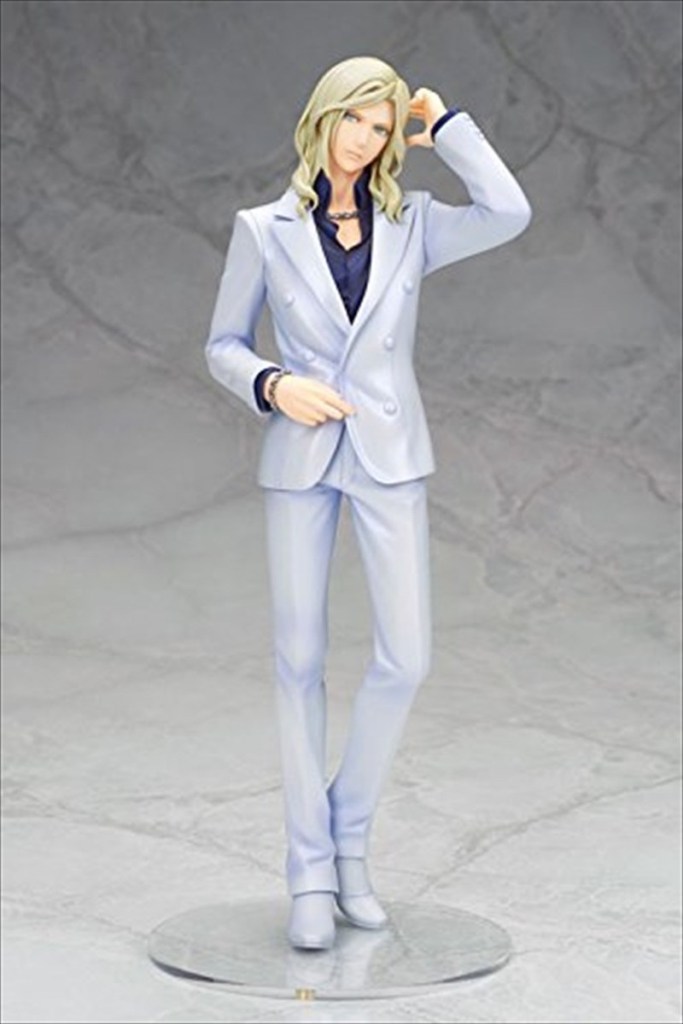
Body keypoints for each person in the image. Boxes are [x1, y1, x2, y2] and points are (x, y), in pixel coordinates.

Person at [204, 55, 532, 950]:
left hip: (388, 453)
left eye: (381, 126)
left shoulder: (411, 222)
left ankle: (347, 838)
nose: (364, 137)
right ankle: (310, 871)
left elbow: (508, 213)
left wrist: (446, 127)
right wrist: (273, 384)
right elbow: (223, 343)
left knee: (406, 657)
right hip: (301, 453)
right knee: (297, 662)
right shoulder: (263, 228)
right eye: (353, 118)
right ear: (322, 118)